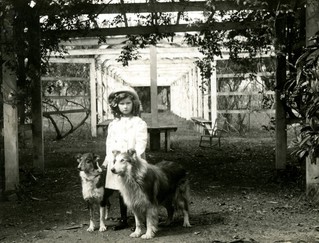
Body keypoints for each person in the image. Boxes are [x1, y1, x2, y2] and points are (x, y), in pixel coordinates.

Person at [102, 86, 148, 230]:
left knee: (137, 189)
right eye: (122, 104)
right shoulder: (114, 124)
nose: (125, 107)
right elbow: (109, 143)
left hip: (132, 161)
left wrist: (134, 157)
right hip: (117, 162)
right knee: (122, 189)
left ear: (133, 104)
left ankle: (140, 219)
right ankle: (124, 218)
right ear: (116, 106)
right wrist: (109, 158)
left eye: (128, 103)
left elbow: (141, 142)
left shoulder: (138, 123)